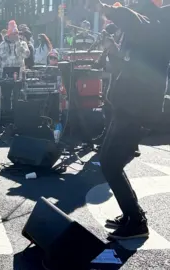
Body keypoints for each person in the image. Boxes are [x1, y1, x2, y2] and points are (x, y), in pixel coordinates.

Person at [87, 0, 170, 239]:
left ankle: (136, 222)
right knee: (108, 160)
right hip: (126, 107)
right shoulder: (148, 32)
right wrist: (113, 51)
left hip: (137, 109)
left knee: (110, 163)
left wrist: (106, 9)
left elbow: (136, 23)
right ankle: (132, 215)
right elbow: (128, 64)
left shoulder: (159, 27)